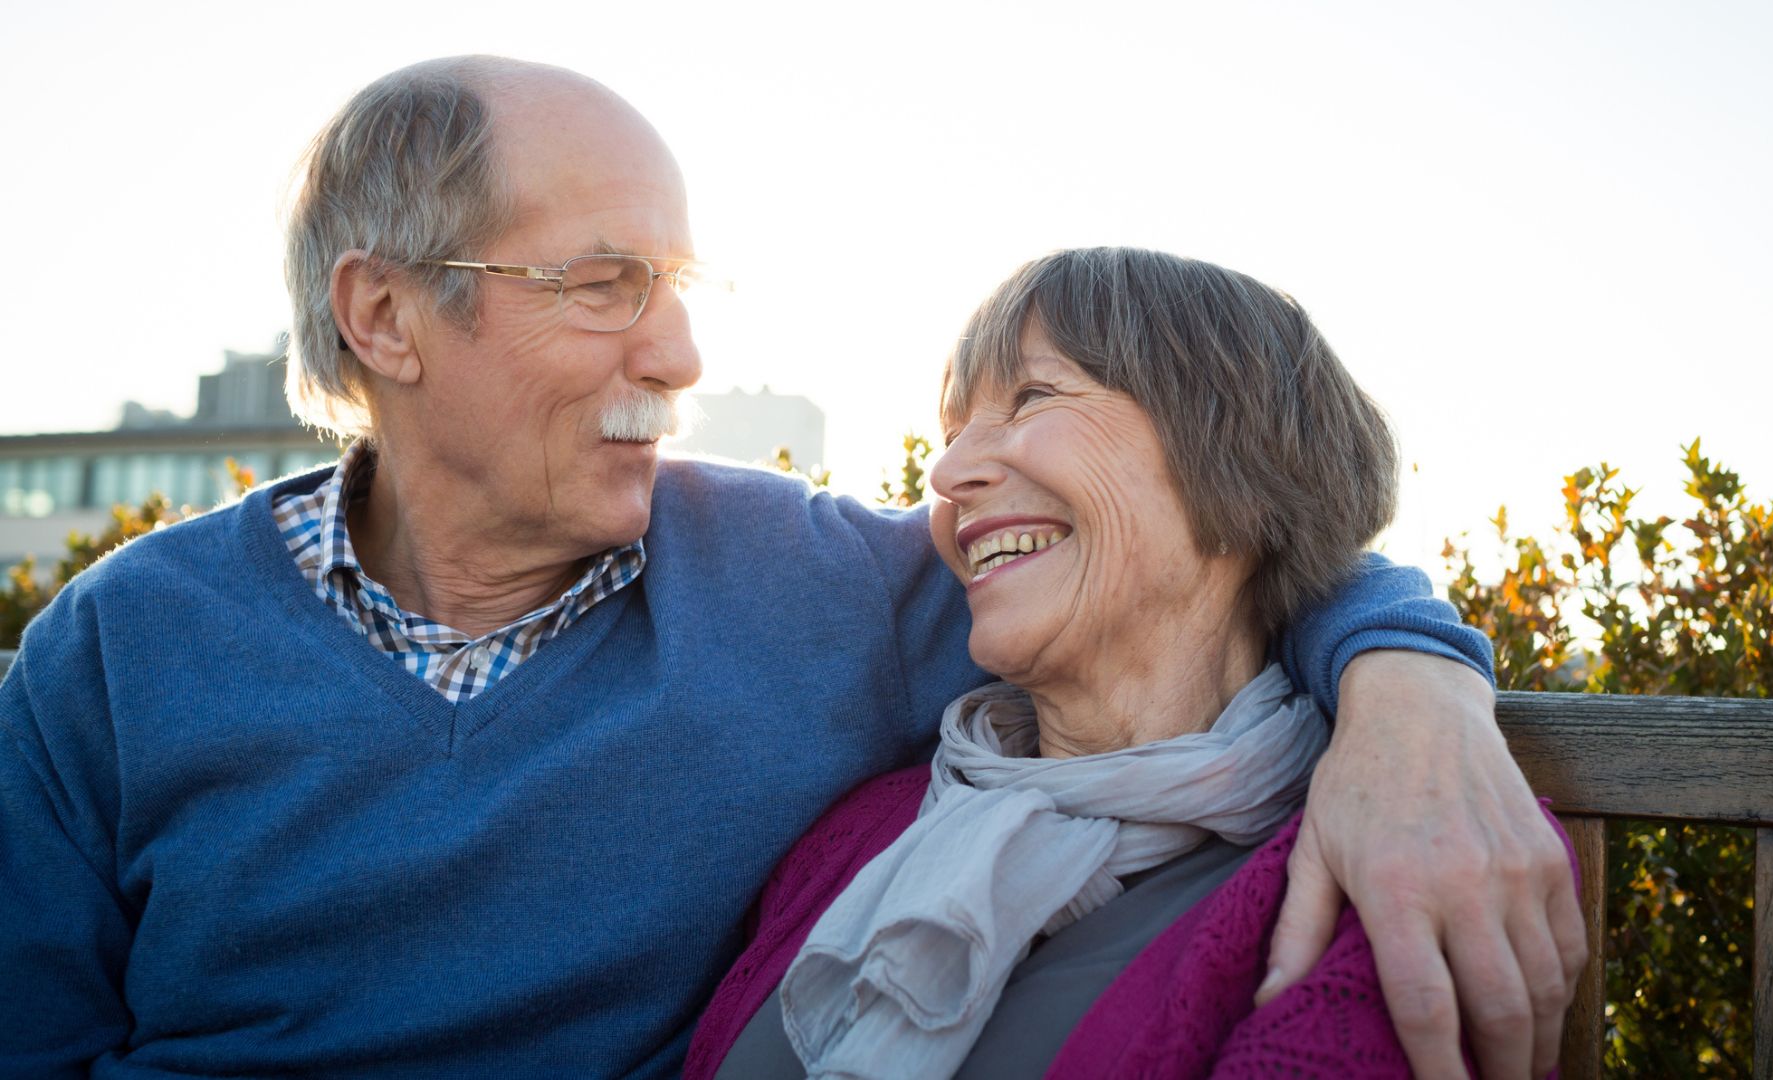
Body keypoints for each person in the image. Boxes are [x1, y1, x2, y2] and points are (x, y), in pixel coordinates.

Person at [0, 57, 1580, 1079]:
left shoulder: (812, 587)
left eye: (678, 286)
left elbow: (1214, 548)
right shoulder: (115, 656)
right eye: (605, 284)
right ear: (387, 317)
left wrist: (1411, 696)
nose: (679, 354)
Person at [689, 247, 1579, 1080]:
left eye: (1033, 396)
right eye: (954, 429)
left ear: (1234, 459)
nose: (948, 470)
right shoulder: (859, 829)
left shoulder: (1411, 845)